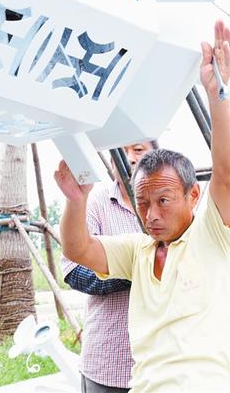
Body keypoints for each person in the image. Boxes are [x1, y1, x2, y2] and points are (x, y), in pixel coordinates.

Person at [54, 20, 230, 392]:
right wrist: (76, 201)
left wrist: (217, 92)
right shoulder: (138, 249)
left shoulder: (215, 234)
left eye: (163, 201)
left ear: (193, 196)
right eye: (143, 203)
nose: (151, 215)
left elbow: (226, 173)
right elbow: (77, 250)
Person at [60, 140, 156, 393]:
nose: (130, 158)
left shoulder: (170, 206)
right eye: (120, 151)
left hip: (162, 363)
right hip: (110, 361)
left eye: (138, 150)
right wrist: (135, 271)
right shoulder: (93, 202)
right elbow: (74, 272)